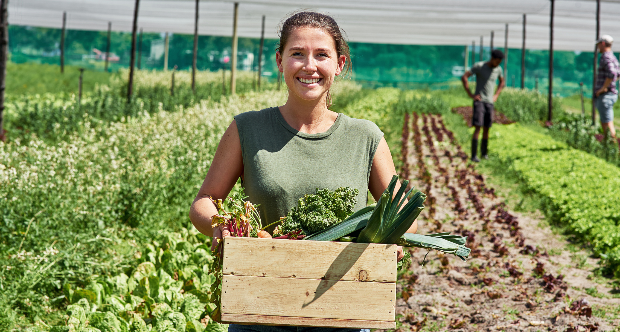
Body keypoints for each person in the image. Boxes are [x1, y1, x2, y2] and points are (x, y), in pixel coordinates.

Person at [189, 11, 415, 332]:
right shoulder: (247, 129)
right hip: (258, 309)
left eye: (322, 55)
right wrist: (220, 225)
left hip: (342, 312)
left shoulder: (365, 137)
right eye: (297, 54)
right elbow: (205, 200)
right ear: (280, 61)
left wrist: (388, 238)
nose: (310, 65)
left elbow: (404, 211)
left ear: (339, 64)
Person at [460, 50, 505, 162]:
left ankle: (484, 154)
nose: (498, 64)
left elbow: (502, 82)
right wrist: (471, 94)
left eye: (500, 62)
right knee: (478, 127)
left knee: (487, 128)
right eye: (497, 61)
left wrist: (496, 95)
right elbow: (464, 77)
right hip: (479, 102)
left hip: (490, 102)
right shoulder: (479, 66)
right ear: (492, 58)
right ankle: (474, 155)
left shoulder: (498, 69)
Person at [594, 34, 619, 141]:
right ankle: (609, 144)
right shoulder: (613, 57)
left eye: (599, 44)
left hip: (606, 95)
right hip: (611, 93)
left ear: (603, 43)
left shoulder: (606, 56)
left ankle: (611, 146)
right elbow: (617, 74)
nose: (598, 47)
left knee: (606, 122)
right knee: (607, 120)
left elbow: (612, 73)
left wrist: (603, 88)